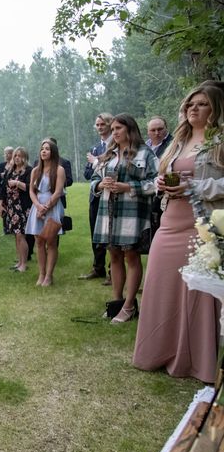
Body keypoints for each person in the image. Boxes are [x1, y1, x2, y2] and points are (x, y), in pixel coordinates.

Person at [133, 84, 224, 383]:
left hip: (203, 223)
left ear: (216, 109)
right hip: (171, 221)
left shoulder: (220, 142)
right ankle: (158, 351)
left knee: (198, 293)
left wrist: (194, 186)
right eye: (189, 105)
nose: (193, 109)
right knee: (161, 282)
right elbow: (163, 174)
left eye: (202, 104)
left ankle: (197, 362)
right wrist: (161, 183)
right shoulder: (178, 142)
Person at [90, 114, 158, 323]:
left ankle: (129, 306)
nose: (114, 132)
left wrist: (129, 187)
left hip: (132, 212)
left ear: (130, 129)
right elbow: (94, 178)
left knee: (131, 256)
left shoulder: (144, 153)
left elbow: (155, 181)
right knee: (115, 256)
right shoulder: (109, 153)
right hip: (108, 211)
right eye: (113, 129)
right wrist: (100, 185)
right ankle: (117, 303)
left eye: (118, 128)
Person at [25, 139, 66, 287]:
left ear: (53, 152)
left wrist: (45, 207)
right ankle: (41, 274)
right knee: (39, 242)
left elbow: (58, 192)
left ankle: (49, 275)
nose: (44, 151)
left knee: (51, 241)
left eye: (47, 149)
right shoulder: (35, 171)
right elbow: (31, 190)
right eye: (42, 149)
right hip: (37, 207)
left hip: (52, 207)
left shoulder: (59, 170)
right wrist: (37, 205)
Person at [79, 113, 113, 281]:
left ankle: (113, 272)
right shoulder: (95, 148)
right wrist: (96, 162)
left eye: (102, 124)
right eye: (97, 125)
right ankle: (98, 267)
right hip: (96, 195)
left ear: (110, 125)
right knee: (96, 233)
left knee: (111, 233)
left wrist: (96, 163)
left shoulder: (116, 145)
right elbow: (86, 173)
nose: (99, 127)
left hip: (112, 194)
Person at [0, 147, 32, 272]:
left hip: (22, 206)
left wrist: (17, 184)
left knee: (20, 235)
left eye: (20, 155)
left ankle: (24, 264)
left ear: (25, 157)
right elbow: (3, 188)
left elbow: (31, 188)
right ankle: (20, 261)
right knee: (16, 235)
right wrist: (1, 204)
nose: (17, 157)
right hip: (11, 206)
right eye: (15, 155)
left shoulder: (29, 170)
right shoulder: (10, 170)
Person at [146, 116, 174, 237]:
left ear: (166, 129)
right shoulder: (144, 146)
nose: (157, 133)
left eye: (160, 129)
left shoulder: (174, 144)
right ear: (148, 131)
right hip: (145, 195)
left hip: (164, 196)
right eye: (153, 130)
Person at [0, 147, 15, 234]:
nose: (7, 155)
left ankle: (12, 226)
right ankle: (5, 228)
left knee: (11, 207)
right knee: (2, 206)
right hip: (2, 188)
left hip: (11, 189)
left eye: (9, 153)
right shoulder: (2, 164)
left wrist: (5, 175)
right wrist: (2, 175)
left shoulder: (14, 164)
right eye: (5, 153)